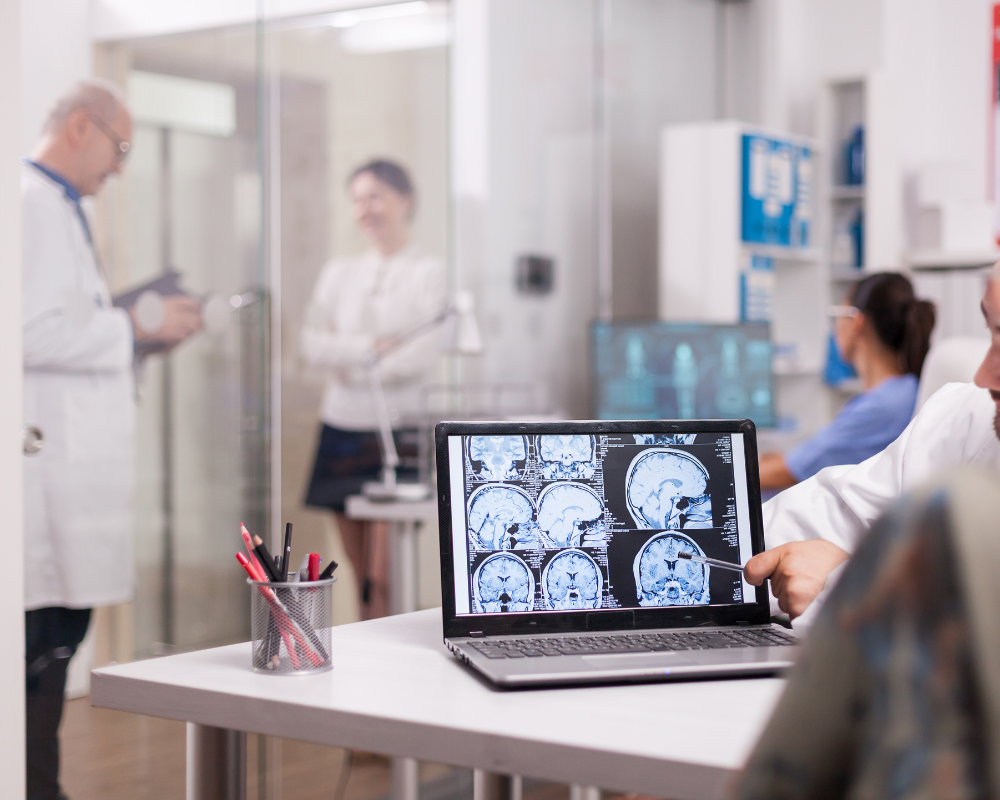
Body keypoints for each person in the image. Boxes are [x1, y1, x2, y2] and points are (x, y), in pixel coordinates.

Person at [23, 79, 202, 800]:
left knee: (55, 650)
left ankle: (41, 785)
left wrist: (134, 332)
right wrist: (134, 325)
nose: (120, 166)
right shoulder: (30, 205)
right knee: (42, 655)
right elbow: (28, 332)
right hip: (41, 471)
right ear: (78, 127)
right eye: (118, 146)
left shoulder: (58, 208)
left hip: (66, 467)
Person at [743, 262, 1000, 628]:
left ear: (857, 321)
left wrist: (844, 581)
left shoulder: (885, 402)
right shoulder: (966, 415)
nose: (982, 375)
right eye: (991, 331)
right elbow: (839, 511)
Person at [301, 159, 446, 619]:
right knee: (359, 575)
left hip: (397, 432)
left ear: (405, 200)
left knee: (386, 575)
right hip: (341, 427)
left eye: (375, 197)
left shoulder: (429, 271)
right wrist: (369, 348)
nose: (365, 209)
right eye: (357, 200)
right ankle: (364, 669)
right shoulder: (338, 272)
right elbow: (309, 346)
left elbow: (420, 357)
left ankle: (388, 676)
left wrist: (346, 357)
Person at [758, 272, 935, 490]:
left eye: (838, 315)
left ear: (856, 321)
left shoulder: (885, 405)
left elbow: (788, 473)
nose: (834, 329)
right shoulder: (902, 390)